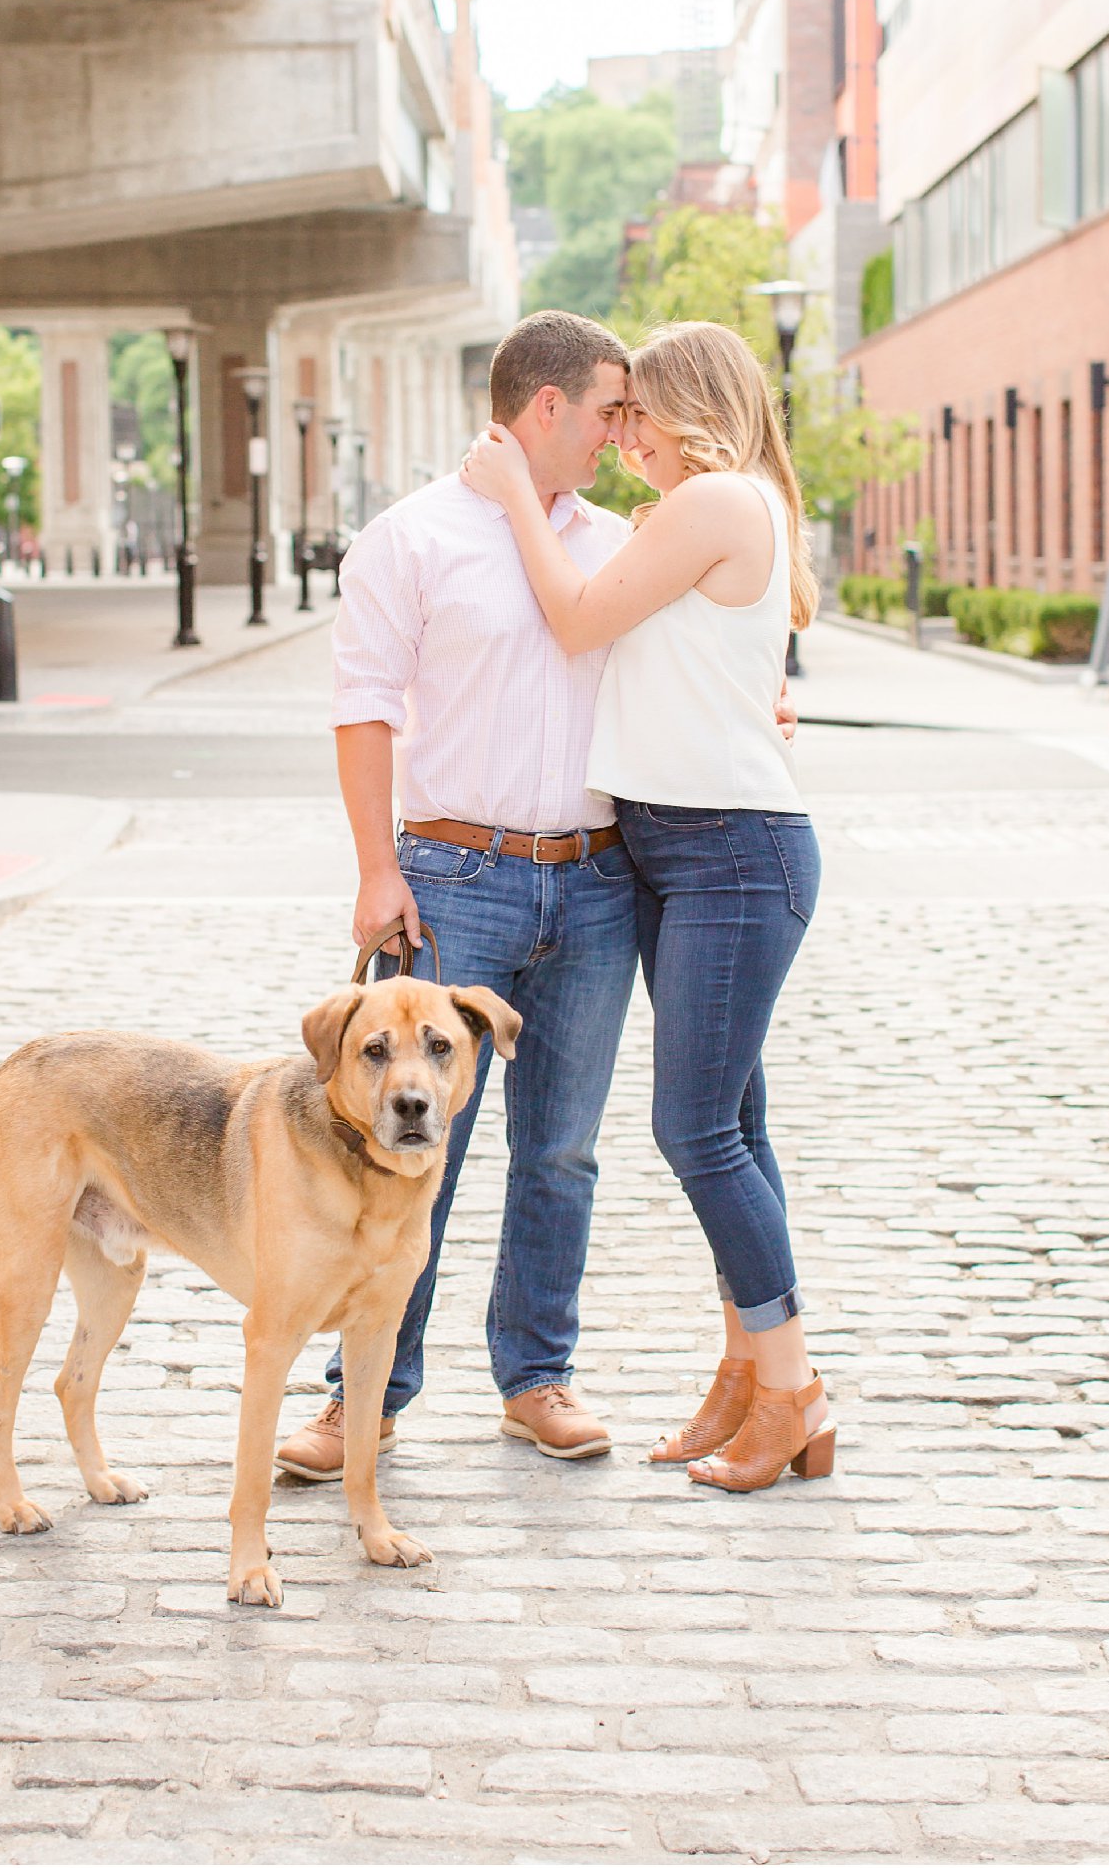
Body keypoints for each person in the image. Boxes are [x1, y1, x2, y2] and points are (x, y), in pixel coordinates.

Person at [275, 310, 795, 1482]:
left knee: (559, 1150)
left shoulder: (620, 537)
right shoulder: (410, 539)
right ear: (546, 408)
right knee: (414, 1150)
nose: (625, 432)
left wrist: (763, 705)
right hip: (456, 872)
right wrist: (374, 867)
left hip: (601, 879)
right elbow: (361, 704)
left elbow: (701, 656)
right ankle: (363, 1396)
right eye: (612, 407)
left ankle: (535, 1377)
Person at [462, 320, 830, 1493]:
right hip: (676, 848)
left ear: (685, 408)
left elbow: (576, 617)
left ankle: (792, 1390)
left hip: (730, 852)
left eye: (634, 414)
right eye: (607, 416)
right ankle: (746, 1374)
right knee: (739, 1130)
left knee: (695, 1133)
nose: (619, 435)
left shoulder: (715, 501)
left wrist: (516, 490)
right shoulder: (696, 512)